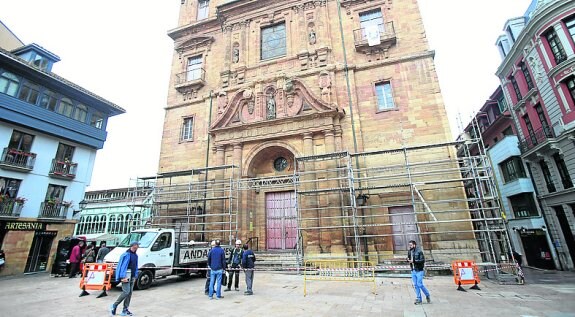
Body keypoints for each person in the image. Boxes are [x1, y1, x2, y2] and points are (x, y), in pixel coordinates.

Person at [110, 241, 139, 316]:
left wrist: (135, 275)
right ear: (133, 246)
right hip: (126, 276)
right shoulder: (125, 255)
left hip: (132, 276)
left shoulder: (136, 255)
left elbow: (136, 266)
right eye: (137, 245)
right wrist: (122, 277)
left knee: (129, 293)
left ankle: (125, 310)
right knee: (126, 291)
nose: (138, 246)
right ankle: (114, 305)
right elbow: (121, 266)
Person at [407, 240, 430, 305]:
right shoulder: (409, 251)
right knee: (416, 285)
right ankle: (419, 298)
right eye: (409, 245)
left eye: (411, 245)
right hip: (413, 270)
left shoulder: (419, 251)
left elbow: (422, 260)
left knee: (419, 284)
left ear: (414, 245)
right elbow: (409, 259)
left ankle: (427, 294)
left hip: (419, 270)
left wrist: (413, 261)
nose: (410, 246)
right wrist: (407, 260)